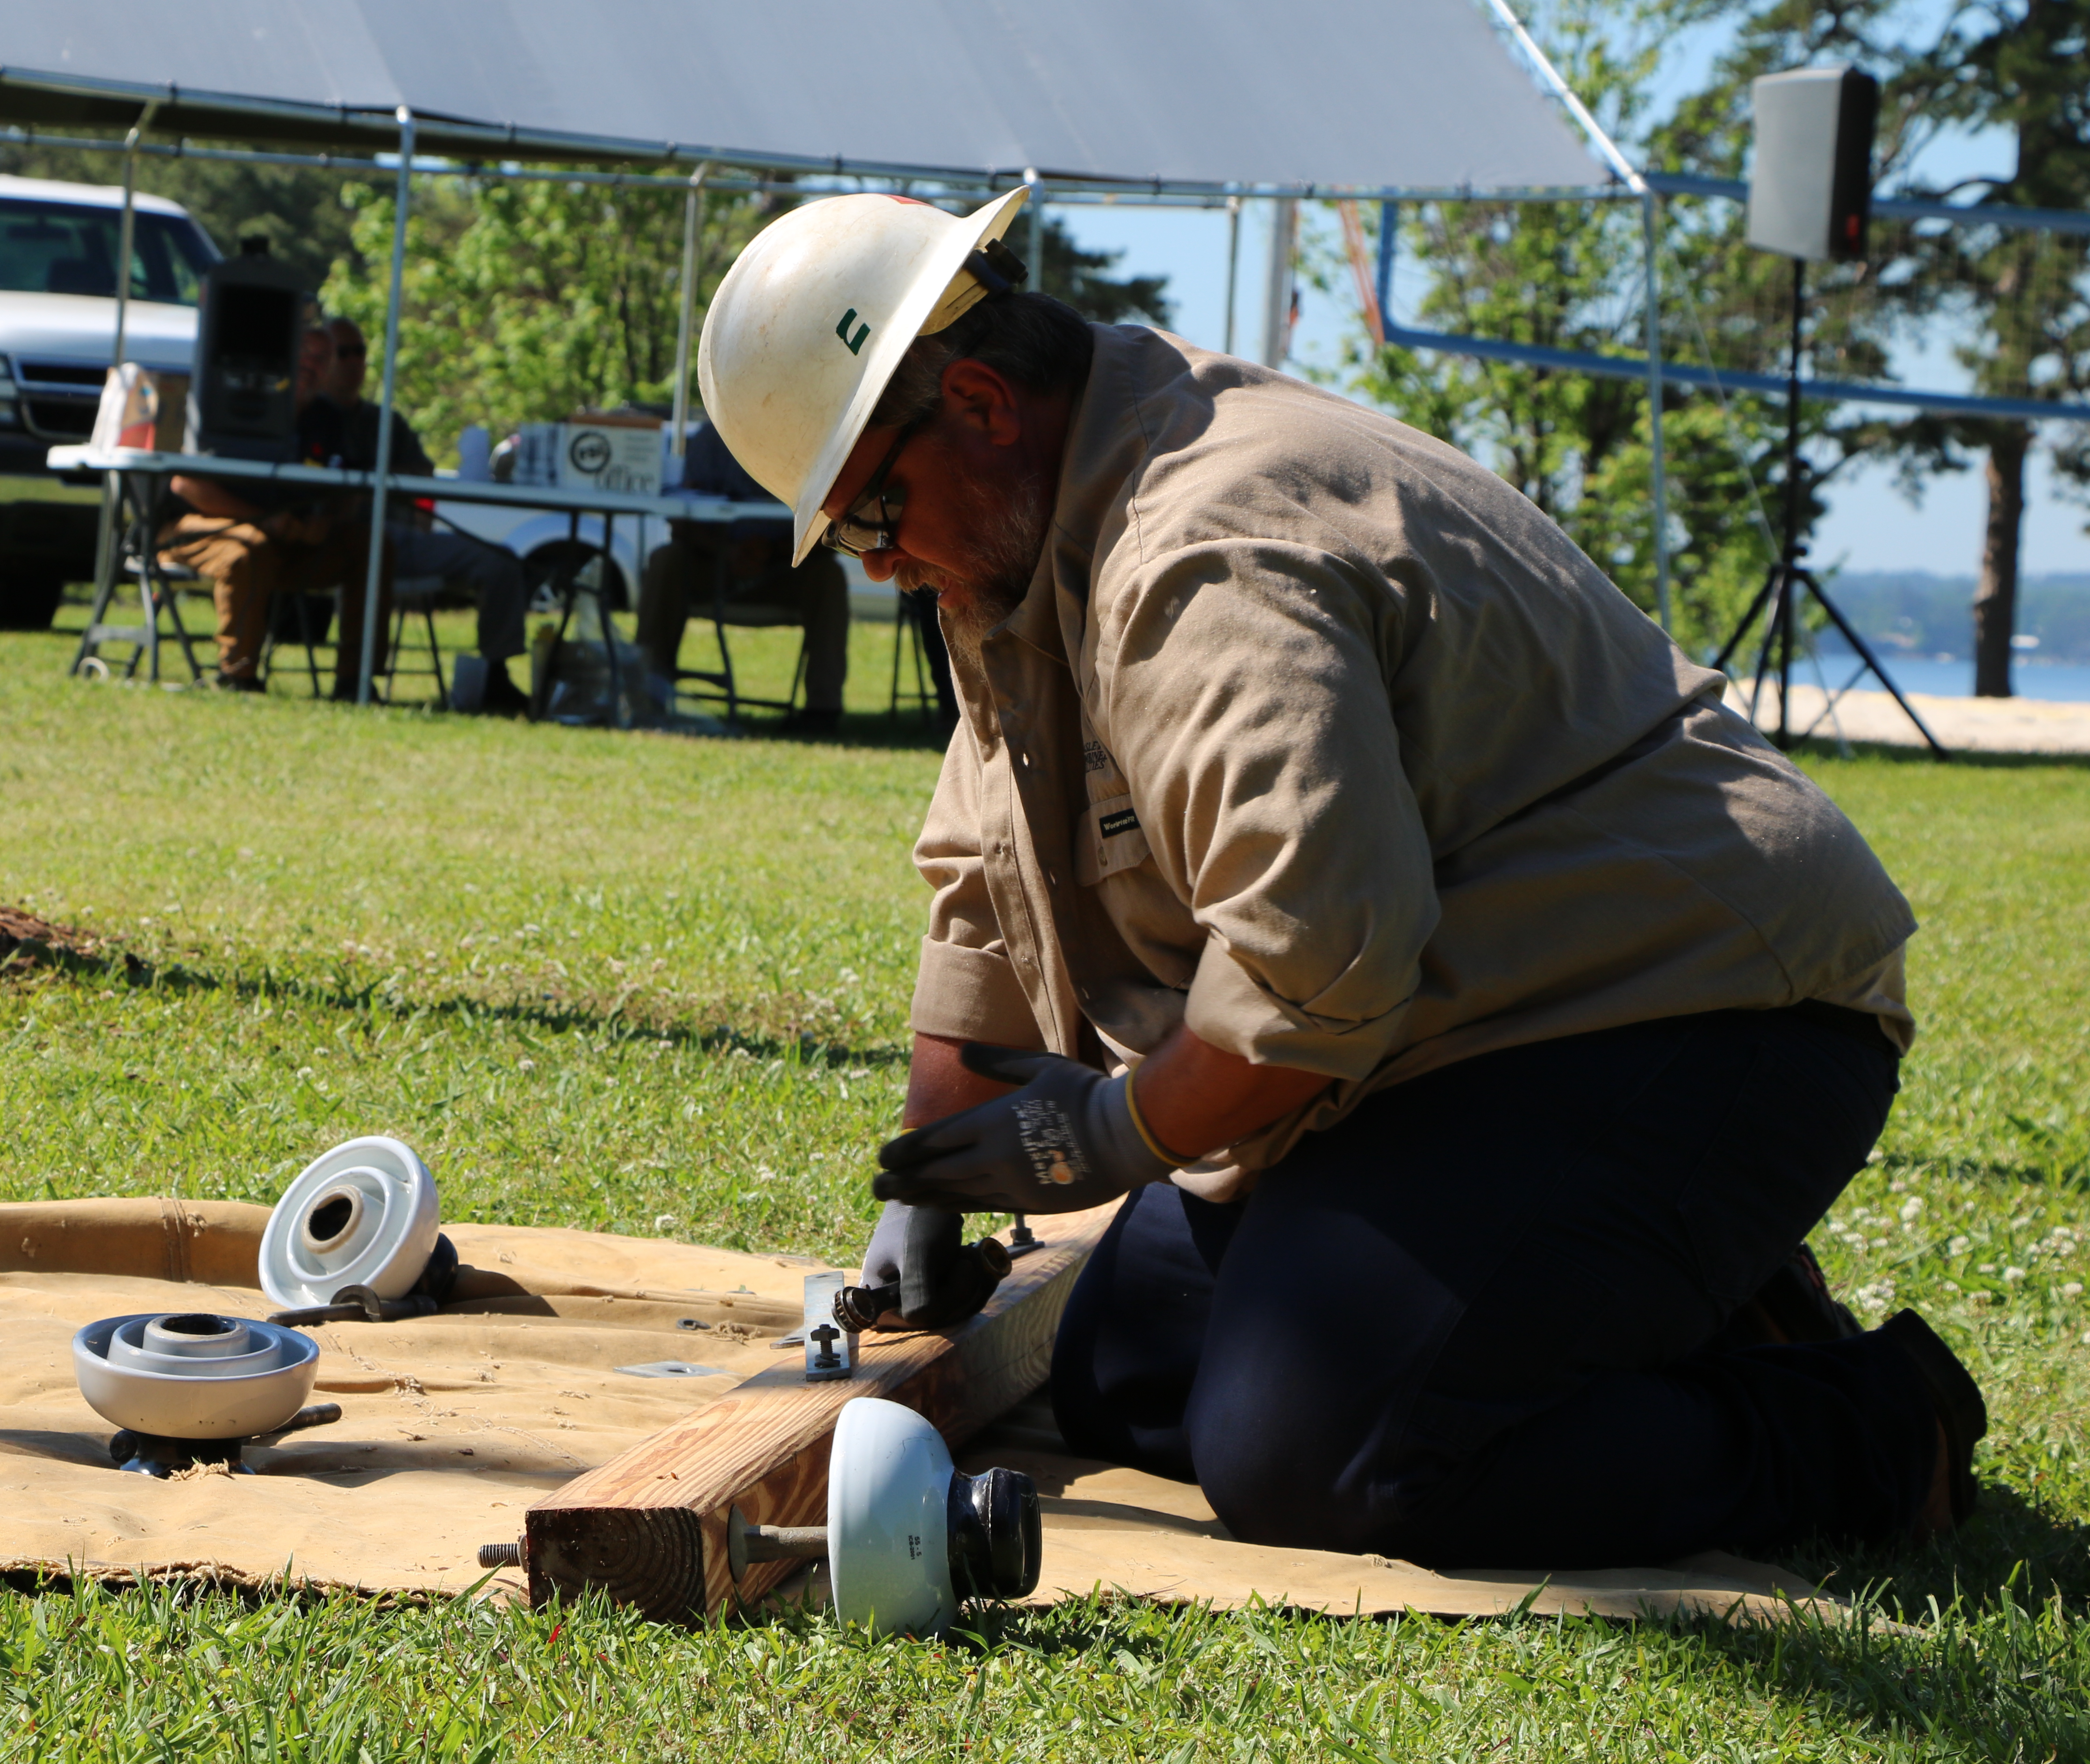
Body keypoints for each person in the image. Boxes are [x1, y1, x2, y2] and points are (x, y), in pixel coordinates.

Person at [695, 188, 1986, 1570]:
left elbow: (1313, 968)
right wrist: (931, 1176)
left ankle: (1869, 1429)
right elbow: (983, 873)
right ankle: (1652, 1303)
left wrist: (1114, 1131)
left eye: (871, 512)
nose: (879, 566)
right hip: (1460, 1027)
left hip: (1690, 1009)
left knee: (1319, 1450)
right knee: (1123, 1367)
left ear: (979, 402)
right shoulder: (1018, 541)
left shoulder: (1199, 551)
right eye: (848, 537)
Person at [313, 318, 531, 716]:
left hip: (401, 538)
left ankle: (496, 677)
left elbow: (422, 474)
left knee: (502, 562)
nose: (354, 362)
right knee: (370, 551)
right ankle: (354, 679)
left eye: (360, 352)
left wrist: (378, 477)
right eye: (343, 353)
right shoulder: (306, 415)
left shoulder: (385, 422)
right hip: (331, 541)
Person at [161, 324, 380, 694]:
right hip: (198, 529)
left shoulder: (328, 419)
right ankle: (238, 674)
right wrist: (264, 520)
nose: (311, 365)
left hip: (288, 540)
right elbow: (186, 484)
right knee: (250, 546)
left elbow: (347, 487)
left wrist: (326, 520)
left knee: (370, 547)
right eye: (305, 355)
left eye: (322, 359)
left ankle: (355, 680)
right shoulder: (238, 401)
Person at [640, 422, 852, 731]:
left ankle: (823, 710)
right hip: (715, 564)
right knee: (666, 560)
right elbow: (681, 517)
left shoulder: (811, 434)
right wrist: (725, 550)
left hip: (784, 568)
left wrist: (774, 551)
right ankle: (647, 691)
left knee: (829, 576)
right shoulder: (709, 438)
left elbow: (831, 528)